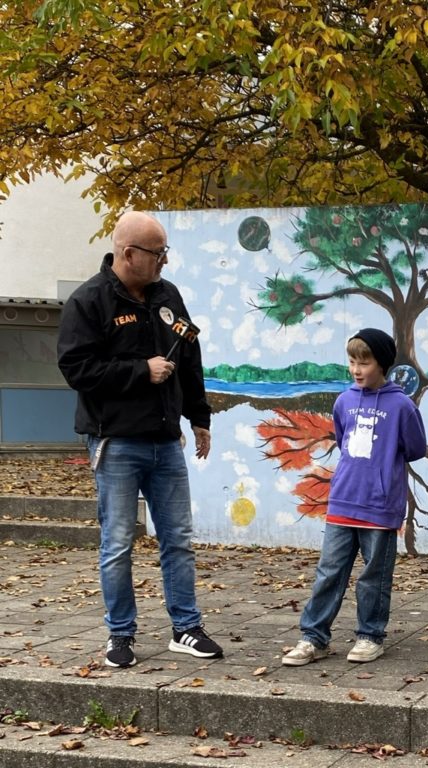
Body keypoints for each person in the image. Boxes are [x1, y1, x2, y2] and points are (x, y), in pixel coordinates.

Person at [57, 210, 222, 668]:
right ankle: (120, 634)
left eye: (165, 251)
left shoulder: (168, 295)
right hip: (116, 442)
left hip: (165, 440)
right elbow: (77, 369)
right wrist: (139, 371)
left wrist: (199, 416)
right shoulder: (88, 302)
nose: (164, 261)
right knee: (117, 543)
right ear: (129, 254)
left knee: (178, 540)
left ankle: (186, 628)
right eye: (157, 253)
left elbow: (189, 356)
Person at [283, 329, 426, 665]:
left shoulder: (402, 406)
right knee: (329, 572)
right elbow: (343, 439)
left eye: (365, 362)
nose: (357, 370)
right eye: (352, 362)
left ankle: (370, 636)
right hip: (343, 500)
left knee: (374, 576)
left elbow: (415, 447)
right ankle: (313, 638)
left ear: (383, 364)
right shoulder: (344, 401)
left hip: (380, 505)